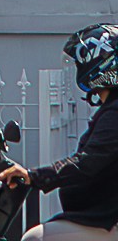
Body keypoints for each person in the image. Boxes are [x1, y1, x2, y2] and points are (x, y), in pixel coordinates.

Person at [7, 26, 118, 229]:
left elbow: (87, 163)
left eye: (80, 64)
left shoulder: (115, 113)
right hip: (98, 217)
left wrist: (34, 176)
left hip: (104, 220)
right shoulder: (111, 109)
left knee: (34, 239)